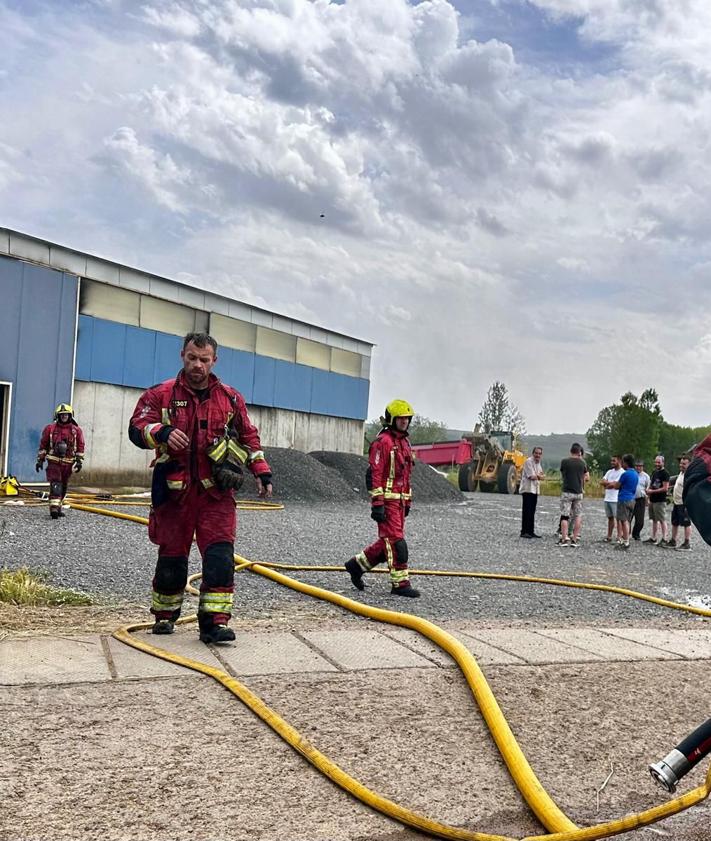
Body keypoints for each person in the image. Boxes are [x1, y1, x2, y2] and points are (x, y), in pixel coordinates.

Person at [128, 332, 273, 643]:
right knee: (172, 558)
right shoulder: (160, 394)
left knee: (220, 558)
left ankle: (214, 623)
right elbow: (136, 428)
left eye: (204, 360)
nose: (197, 365)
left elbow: (249, 437)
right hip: (174, 492)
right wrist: (162, 432)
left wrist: (261, 470)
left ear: (214, 361)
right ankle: (165, 616)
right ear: (182, 355)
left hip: (216, 494)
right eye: (192, 358)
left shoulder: (230, 398)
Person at [345, 399, 420, 597]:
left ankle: (356, 566)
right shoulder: (383, 442)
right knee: (397, 543)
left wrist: (408, 502)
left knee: (386, 541)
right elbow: (375, 474)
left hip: (400, 502)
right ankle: (400, 584)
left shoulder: (404, 442)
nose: (404, 422)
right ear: (392, 419)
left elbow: (406, 475)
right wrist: (377, 504)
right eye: (400, 418)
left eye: (407, 418)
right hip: (387, 502)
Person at [35, 403, 85, 519]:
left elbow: (81, 446)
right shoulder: (50, 429)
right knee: (56, 484)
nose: (64, 417)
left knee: (64, 486)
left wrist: (79, 461)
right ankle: (53, 509)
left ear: (70, 415)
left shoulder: (76, 431)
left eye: (66, 415)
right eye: (61, 415)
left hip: (68, 463)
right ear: (57, 416)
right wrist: (40, 460)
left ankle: (58, 507)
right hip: (54, 462)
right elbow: (43, 445)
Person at [558, 442, 589, 547]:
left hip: (567, 491)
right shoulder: (582, 463)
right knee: (578, 515)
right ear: (579, 452)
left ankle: (564, 538)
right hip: (578, 492)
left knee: (565, 516)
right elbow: (585, 476)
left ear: (571, 451)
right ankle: (575, 539)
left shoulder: (565, 462)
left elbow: (563, 474)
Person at [611, 454, 638, 550]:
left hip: (624, 499)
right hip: (632, 498)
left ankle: (626, 541)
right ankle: (626, 538)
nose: (622, 464)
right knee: (628, 520)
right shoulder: (635, 474)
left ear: (626, 463)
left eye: (622, 462)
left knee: (623, 521)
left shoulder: (625, 474)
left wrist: (614, 483)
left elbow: (617, 486)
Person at [645, 454, 670, 546]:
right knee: (654, 519)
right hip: (652, 499)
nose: (657, 464)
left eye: (659, 462)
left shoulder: (665, 474)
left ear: (663, 463)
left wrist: (653, 491)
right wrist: (648, 491)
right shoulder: (654, 472)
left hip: (660, 500)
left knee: (662, 519)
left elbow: (665, 488)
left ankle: (664, 538)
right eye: (656, 462)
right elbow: (651, 483)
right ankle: (653, 538)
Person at [520, 446, 544, 538]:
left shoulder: (538, 463)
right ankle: (524, 531)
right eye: (536, 453)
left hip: (535, 490)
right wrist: (539, 476)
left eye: (539, 453)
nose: (537, 455)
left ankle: (531, 531)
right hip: (528, 489)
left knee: (532, 511)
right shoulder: (528, 462)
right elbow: (531, 476)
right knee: (527, 511)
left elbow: (541, 474)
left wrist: (539, 476)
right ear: (533, 453)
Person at [669, 456, 692, 550]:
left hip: (684, 503)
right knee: (675, 522)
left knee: (686, 523)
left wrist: (688, 504)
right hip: (677, 502)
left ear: (689, 464)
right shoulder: (681, 473)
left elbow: (690, 490)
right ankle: (673, 541)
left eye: (684, 464)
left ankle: (687, 543)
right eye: (681, 463)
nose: (681, 465)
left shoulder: (689, 475)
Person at [600, 456, 623, 543]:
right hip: (607, 498)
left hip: (616, 499)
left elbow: (615, 484)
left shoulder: (622, 472)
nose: (612, 462)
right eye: (611, 461)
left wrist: (608, 484)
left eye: (614, 461)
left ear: (619, 461)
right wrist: (609, 484)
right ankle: (609, 536)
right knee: (610, 518)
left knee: (619, 519)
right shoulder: (609, 471)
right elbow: (602, 481)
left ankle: (619, 537)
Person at [631, 459, 650, 541]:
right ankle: (625, 534)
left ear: (643, 467)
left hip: (640, 499)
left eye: (640, 466)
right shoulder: (632, 475)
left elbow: (647, 488)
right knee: (628, 518)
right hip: (631, 498)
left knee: (640, 520)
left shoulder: (646, 476)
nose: (638, 468)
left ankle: (636, 533)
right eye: (637, 466)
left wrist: (647, 499)